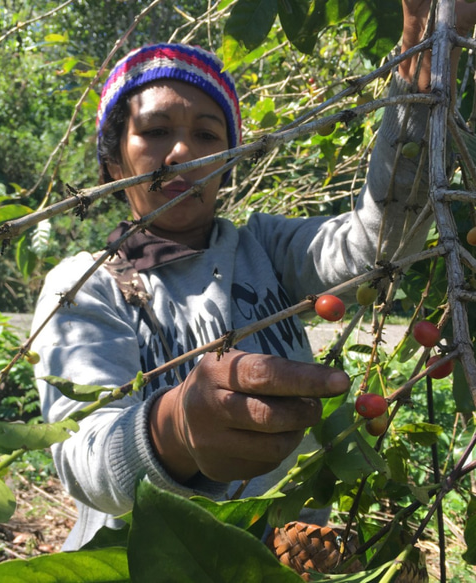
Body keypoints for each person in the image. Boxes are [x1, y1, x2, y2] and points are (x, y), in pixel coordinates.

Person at [31, 1, 475, 551]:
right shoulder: (85, 286)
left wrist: (423, 65)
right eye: (155, 130)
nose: (181, 152)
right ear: (115, 160)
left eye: (207, 135)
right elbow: (81, 459)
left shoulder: (266, 246)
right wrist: (174, 431)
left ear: (230, 158)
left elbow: (379, 243)